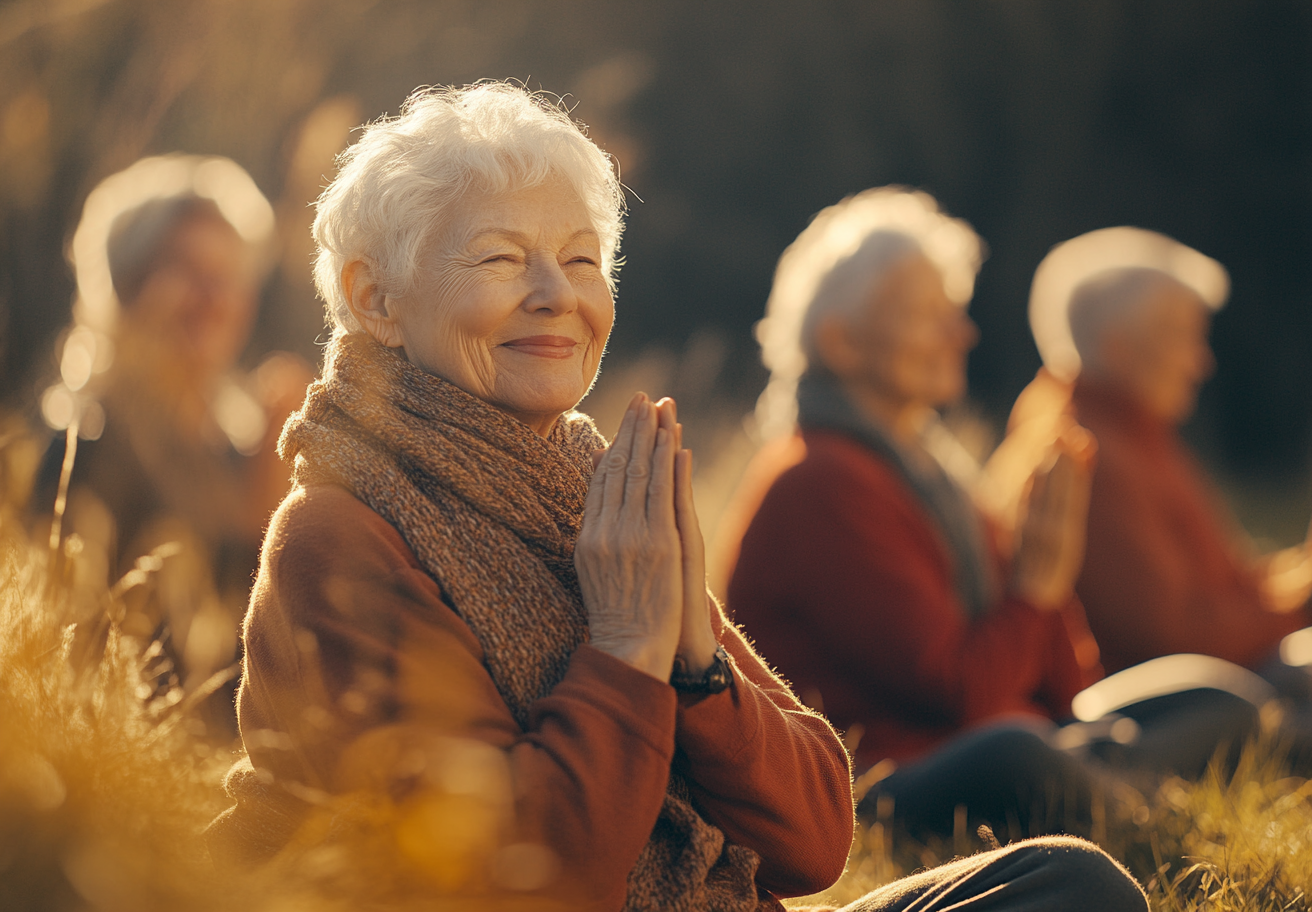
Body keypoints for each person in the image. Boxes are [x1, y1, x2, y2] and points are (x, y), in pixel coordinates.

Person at [206, 87, 1147, 912]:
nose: (556, 295)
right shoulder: (339, 535)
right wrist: (626, 651)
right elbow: (514, 882)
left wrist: (695, 666)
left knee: (1069, 884)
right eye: (500, 259)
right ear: (375, 299)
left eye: (581, 261)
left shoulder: (595, 494)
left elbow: (818, 841)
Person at [720, 187, 1117, 843]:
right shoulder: (819, 481)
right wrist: (1034, 591)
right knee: (1020, 755)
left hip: (986, 732)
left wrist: (1044, 574)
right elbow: (957, 691)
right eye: (929, 316)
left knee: (1204, 697)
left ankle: (1129, 781)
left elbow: (1064, 692)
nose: (962, 334)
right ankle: (1139, 793)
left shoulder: (935, 472)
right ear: (841, 342)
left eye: (955, 313)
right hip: (880, 781)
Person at [33, 156, 310, 721]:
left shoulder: (240, 443)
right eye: (186, 270)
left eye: (229, 277)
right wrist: (263, 528)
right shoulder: (88, 444)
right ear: (124, 286)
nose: (214, 297)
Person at [1004, 227, 1312, 683]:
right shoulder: (1083, 452)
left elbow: (1229, 588)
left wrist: (1301, 581)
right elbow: (1175, 639)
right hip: (1172, 702)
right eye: (1183, 337)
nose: (1201, 361)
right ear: (1116, 345)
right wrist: (1303, 601)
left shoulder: (1134, 432)